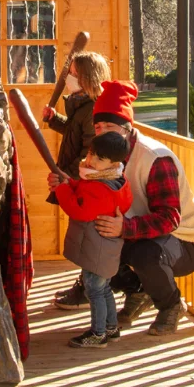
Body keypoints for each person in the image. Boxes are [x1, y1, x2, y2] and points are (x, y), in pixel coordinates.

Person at [49, 80, 194, 336]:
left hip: (183, 241)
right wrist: (66, 185)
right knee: (98, 240)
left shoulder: (155, 159)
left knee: (145, 254)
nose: (102, 133)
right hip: (136, 231)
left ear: (127, 127)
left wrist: (124, 228)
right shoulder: (105, 156)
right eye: (98, 126)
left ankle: (171, 306)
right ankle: (139, 291)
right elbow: (92, 196)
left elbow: (169, 219)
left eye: (109, 126)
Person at [50, 132, 133, 348]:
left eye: (99, 158)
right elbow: (83, 190)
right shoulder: (114, 180)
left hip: (97, 250)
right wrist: (68, 182)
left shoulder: (100, 188)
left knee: (94, 291)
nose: (91, 160)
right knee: (103, 289)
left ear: (113, 163)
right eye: (91, 154)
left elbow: (79, 209)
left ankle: (98, 334)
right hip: (105, 249)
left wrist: (61, 189)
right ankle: (111, 328)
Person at [43, 50, 111, 310]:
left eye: (73, 74)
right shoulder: (81, 105)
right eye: (69, 73)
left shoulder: (93, 110)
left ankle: (89, 289)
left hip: (88, 184)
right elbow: (74, 132)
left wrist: (65, 177)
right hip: (78, 180)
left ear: (87, 78)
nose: (68, 78)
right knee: (85, 239)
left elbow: (88, 152)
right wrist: (55, 120)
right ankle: (85, 285)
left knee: (89, 241)